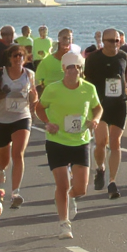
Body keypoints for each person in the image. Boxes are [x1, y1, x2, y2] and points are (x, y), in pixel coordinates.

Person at [34, 50, 101, 240]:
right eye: (70, 67)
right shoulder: (53, 89)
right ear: (64, 68)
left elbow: (98, 107)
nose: (74, 71)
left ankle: (69, 199)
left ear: (81, 70)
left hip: (80, 141)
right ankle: (64, 224)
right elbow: (39, 108)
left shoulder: (89, 89)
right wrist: (47, 123)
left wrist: (95, 120)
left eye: (77, 67)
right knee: (62, 184)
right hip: (57, 141)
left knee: (81, 189)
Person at [0, 43, 36, 209]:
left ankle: (15, 193)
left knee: (18, 154)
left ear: (25, 58)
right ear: (10, 58)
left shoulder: (29, 74)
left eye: (21, 55)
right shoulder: (0, 74)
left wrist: (33, 98)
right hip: (0, 119)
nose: (18, 58)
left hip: (21, 116)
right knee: (4, 160)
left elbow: (33, 96)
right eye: (15, 56)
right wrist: (0, 94)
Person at [84, 28, 127, 199]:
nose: (114, 44)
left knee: (115, 142)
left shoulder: (124, 57)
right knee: (101, 142)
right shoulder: (93, 58)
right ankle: (100, 168)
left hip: (119, 104)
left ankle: (112, 181)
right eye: (111, 41)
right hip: (100, 105)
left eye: (117, 40)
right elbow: (87, 81)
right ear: (103, 42)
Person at [33, 28, 75, 93]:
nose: (67, 41)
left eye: (69, 38)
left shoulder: (76, 61)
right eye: (64, 38)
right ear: (59, 39)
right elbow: (37, 84)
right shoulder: (46, 62)